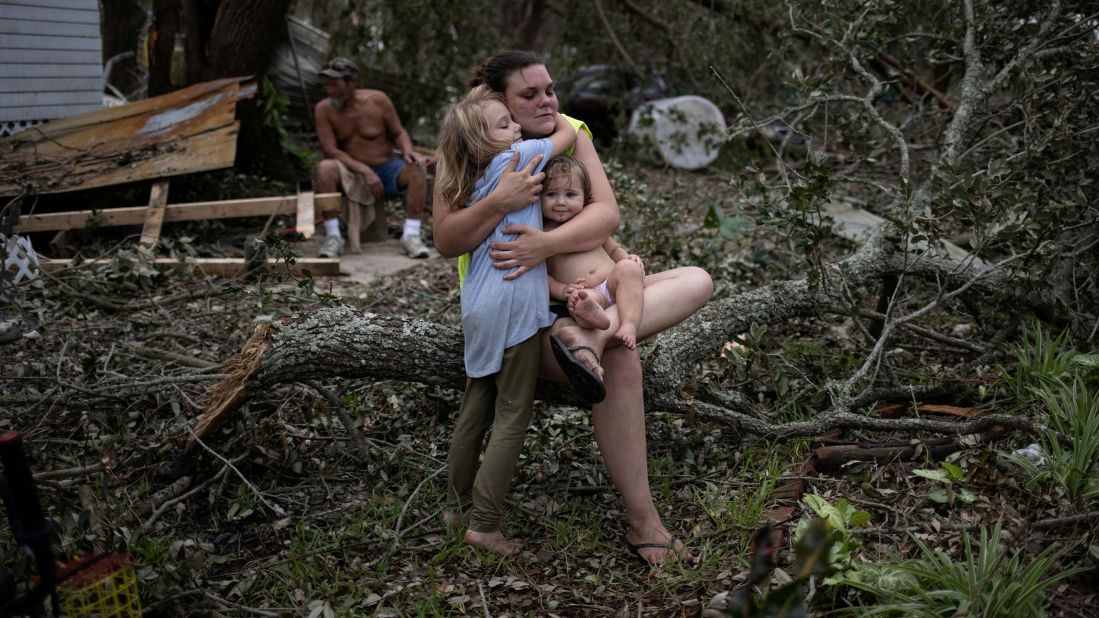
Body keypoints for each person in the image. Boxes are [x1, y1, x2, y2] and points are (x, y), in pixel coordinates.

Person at [433, 51, 713, 565]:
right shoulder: (474, 143)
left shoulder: (571, 131)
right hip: (528, 316)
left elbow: (607, 214)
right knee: (623, 364)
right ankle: (644, 523)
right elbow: (447, 239)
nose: (546, 101)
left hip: (594, 298)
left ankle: (594, 334)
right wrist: (505, 214)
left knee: (698, 279)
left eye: (550, 89)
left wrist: (544, 243)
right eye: (529, 94)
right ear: (499, 104)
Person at [438, 87, 577, 556]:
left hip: (478, 302)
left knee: (477, 402)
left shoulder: (473, 180)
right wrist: (559, 120)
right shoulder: (518, 157)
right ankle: (485, 524)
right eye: (504, 123)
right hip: (513, 303)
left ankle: (455, 506)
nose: (515, 128)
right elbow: (563, 134)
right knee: (513, 413)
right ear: (485, 142)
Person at [313, 57, 431, 259]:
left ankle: (410, 235)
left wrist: (408, 150)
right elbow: (330, 150)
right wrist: (363, 170)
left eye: (335, 83)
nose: (329, 89)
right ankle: (333, 237)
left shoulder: (378, 101)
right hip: (349, 172)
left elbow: (398, 132)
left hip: (386, 169)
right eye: (327, 83)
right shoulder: (324, 109)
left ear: (352, 82)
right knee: (324, 168)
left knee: (417, 170)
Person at [541, 155, 645, 352]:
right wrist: (561, 290)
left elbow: (613, 248)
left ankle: (629, 325)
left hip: (612, 282)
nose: (561, 202)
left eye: (570, 195)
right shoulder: (542, 233)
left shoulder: (588, 222)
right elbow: (541, 274)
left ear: (585, 197)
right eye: (551, 194)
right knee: (579, 301)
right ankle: (593, 317)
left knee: (629, 269)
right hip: (588, 291)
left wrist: (626, 258)